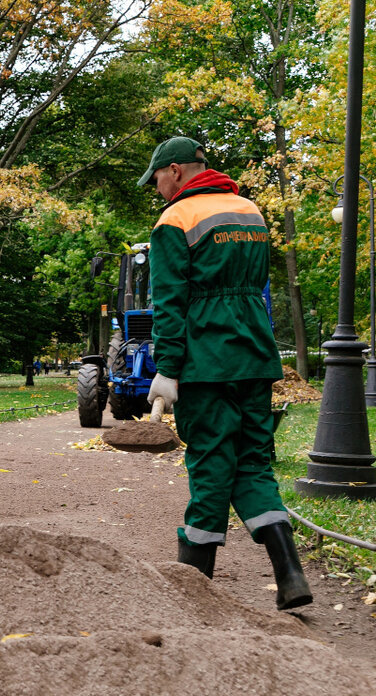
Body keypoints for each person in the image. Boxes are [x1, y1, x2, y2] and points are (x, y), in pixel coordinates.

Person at [140, 136, 312, 610]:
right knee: (253, 463)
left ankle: (196, 589)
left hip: (205, 362)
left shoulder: (174, 219)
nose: (156, 187)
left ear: (174, 170)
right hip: (254, 354)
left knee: (211, 464)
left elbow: (170, 305)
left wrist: (168, 370)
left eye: (156, 177)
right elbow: (254, 287)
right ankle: (291, 574)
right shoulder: (250, 211)